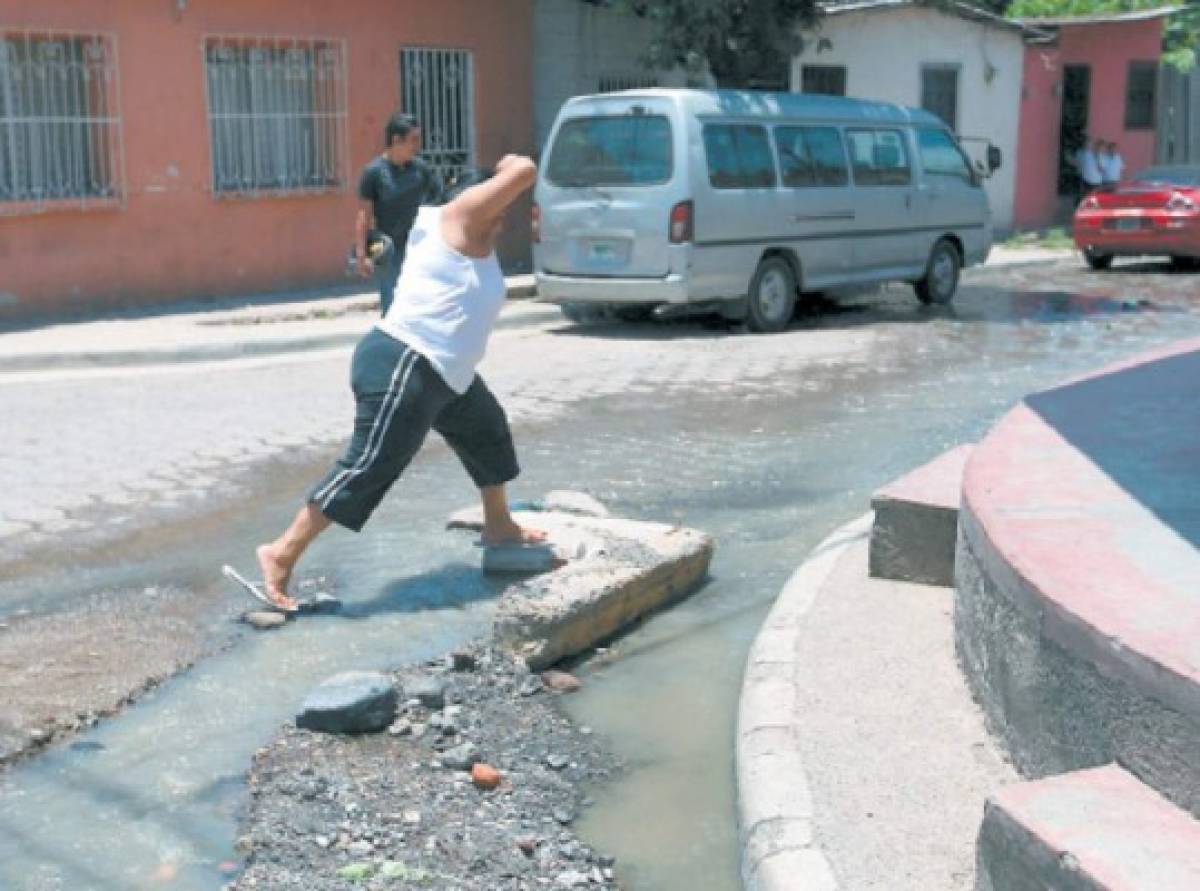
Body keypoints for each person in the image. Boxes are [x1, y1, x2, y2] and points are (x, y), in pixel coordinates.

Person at [255, 155, 542, 610]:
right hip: (405, 362)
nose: (503, 219)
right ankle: (281, 552)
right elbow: (523, 170)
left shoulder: (471, 237)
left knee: (488, 431)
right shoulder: (458, 218)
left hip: (446, 374)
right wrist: (506, 166)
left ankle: (499, 524)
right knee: (372, 462)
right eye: (497, 206)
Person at [356, 113, 443, 315]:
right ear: (396, 140)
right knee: (393, 308)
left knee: (422, 305)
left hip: (420, 248)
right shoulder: (374, 173)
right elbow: (364, 215)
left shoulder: (421, 169)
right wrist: (362, 255)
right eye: (413, 139)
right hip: (390, 251)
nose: (417, 145)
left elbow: (440, 200)